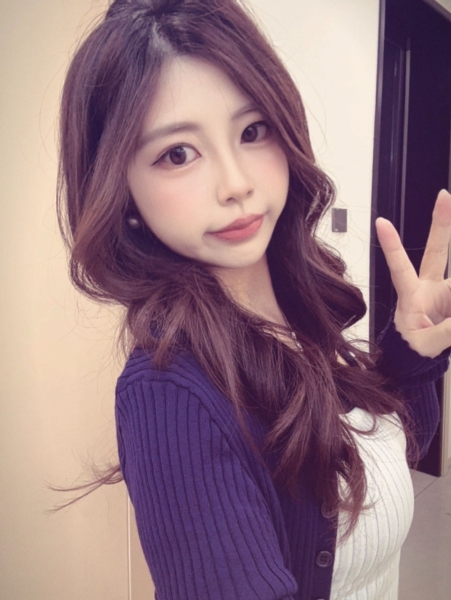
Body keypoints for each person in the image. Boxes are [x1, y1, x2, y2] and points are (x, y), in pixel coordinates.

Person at [57, 0, 451, 598]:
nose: (236, 183)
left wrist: (410, 357)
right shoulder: (172, 394)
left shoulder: (303, 306)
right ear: (122, 191)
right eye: (177, 154)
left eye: (252, 130)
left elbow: (386, 464)